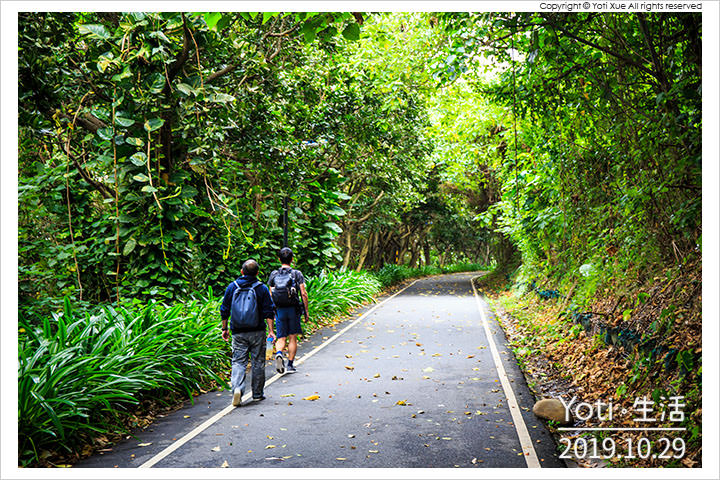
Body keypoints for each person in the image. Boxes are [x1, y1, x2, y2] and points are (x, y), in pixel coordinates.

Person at [220, 259, 275, 407]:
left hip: (238, 331)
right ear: (257, 273)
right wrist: (271, 331)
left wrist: (224, 329)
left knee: (238, 361)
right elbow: (268, 310)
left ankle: (237, 388)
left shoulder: (232, 287)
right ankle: (257, 394)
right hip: (257, 331)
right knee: (258, 361)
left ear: (241, 271)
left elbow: (224, 309)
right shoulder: (261, 288)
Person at [267, 247, 309, 374]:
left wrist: (272, 311)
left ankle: (279, 353)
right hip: (293, 309)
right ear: (292, 259)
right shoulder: (297, 274)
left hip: (279, 309)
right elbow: (303, 293)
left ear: (279, 259)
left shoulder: (274, 274)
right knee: (292, 338)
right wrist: (306, 311)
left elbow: (270, 294)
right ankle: (290, 365)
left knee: (281, 337)